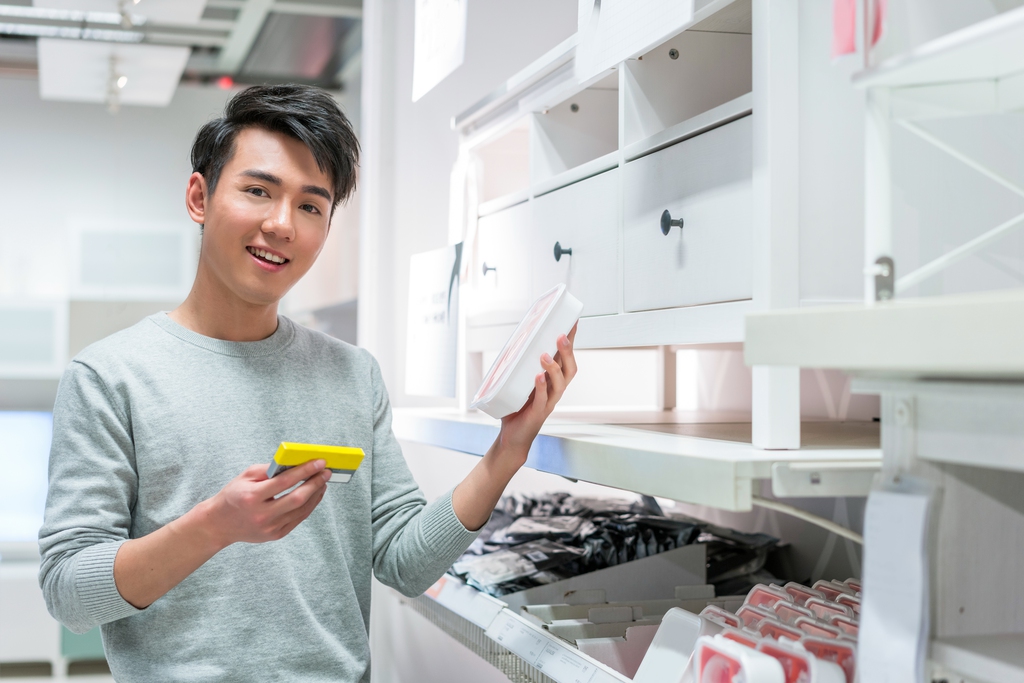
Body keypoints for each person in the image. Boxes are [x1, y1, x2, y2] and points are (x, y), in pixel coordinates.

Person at [38, 84, 577, 682]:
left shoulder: (352, 374)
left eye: (310, 206)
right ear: (199, 195)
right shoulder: (110, 377)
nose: (281, 224)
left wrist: (507, 451)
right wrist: (214, 526)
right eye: (257, 191)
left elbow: (402, 561)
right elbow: (70, 592)